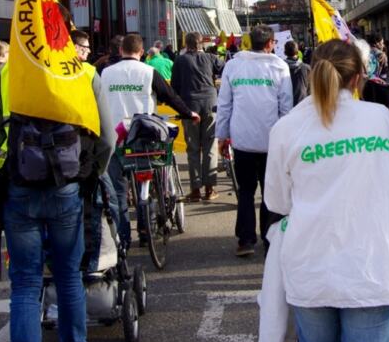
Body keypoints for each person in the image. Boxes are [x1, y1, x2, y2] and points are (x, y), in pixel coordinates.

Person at [263, 39, 389, 342]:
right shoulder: (380, 119)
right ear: (358, 77)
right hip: (373, 264)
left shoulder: (287, 128)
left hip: (311, 264)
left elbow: (276, 202)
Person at [0, 42, 114, 342]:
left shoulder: (8, 73)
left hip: (19, 188)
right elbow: (108, 138)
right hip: (66, 187)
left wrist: (13, 152)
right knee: (69, 277)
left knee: (25, 284)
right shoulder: (83, 72)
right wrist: (91, 171)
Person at [101, 34, 197, 248]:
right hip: (143, 137)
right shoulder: (148, 72)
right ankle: (146, 229)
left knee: (118, 192)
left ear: (121, 51)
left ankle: (123, 241)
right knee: (148, 181)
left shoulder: (105, 73)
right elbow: (170, 96)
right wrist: (189, 113)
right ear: (142, 52)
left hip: (115, 139)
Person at [216, 24, 293, 257]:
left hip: (242, 140)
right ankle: (270, 239)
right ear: (270, 43)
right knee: (271, 191)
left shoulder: (233, 65)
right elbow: (286, 107)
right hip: (272, 140)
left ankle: (246, 240)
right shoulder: (280, 67)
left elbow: (225, 104)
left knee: (246, 191)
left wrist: (222, 136)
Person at [171, 31, 225, 201]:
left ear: (185, 44)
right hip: (210, 103)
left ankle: (195, 190)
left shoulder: (180, 61)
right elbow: (224, 66)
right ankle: (210, 189)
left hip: (190, 106)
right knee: (210, 147)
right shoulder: (210, 57)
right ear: (202, 43)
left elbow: (174, 86)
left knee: (192, 148)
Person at [284, 40, 311, 106]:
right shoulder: (307, 68)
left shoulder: (280, 68)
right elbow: (311, 89)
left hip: (286, 105)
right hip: (302, 104)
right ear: (297, 51)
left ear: (285, 52)